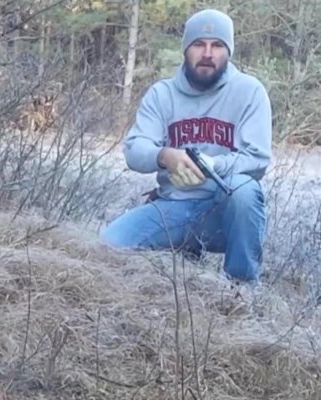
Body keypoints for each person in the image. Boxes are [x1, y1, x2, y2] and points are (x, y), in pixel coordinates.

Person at [101, 8, 272, 294]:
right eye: (198, 44)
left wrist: (212, 165)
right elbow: (134, 148)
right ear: (185, 49)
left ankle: (241, 290)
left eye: (217, 45)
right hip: (173, 206)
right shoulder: (162, 94)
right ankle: (180, 261)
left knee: (244, 189)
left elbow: (257, 159)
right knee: (108, 244)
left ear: (228, 50)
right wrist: (166, 156)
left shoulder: (249, 91)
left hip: (223, 209)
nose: (207, 53)